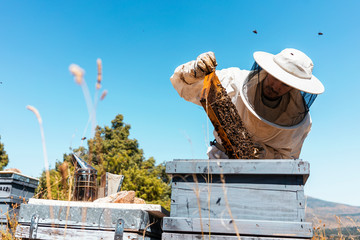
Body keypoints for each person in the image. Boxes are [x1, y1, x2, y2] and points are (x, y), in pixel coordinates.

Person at [170, 48, 325, 159]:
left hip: (265, 179)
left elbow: (289, 160)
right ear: (268, 71)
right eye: (275, 78)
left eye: (285, 84)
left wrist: (264, 153)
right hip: (220, 161)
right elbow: (184, 86)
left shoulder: (301, 122)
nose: (276, 87)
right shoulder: (233, 81)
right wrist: (194, 70)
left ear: (294, 87)